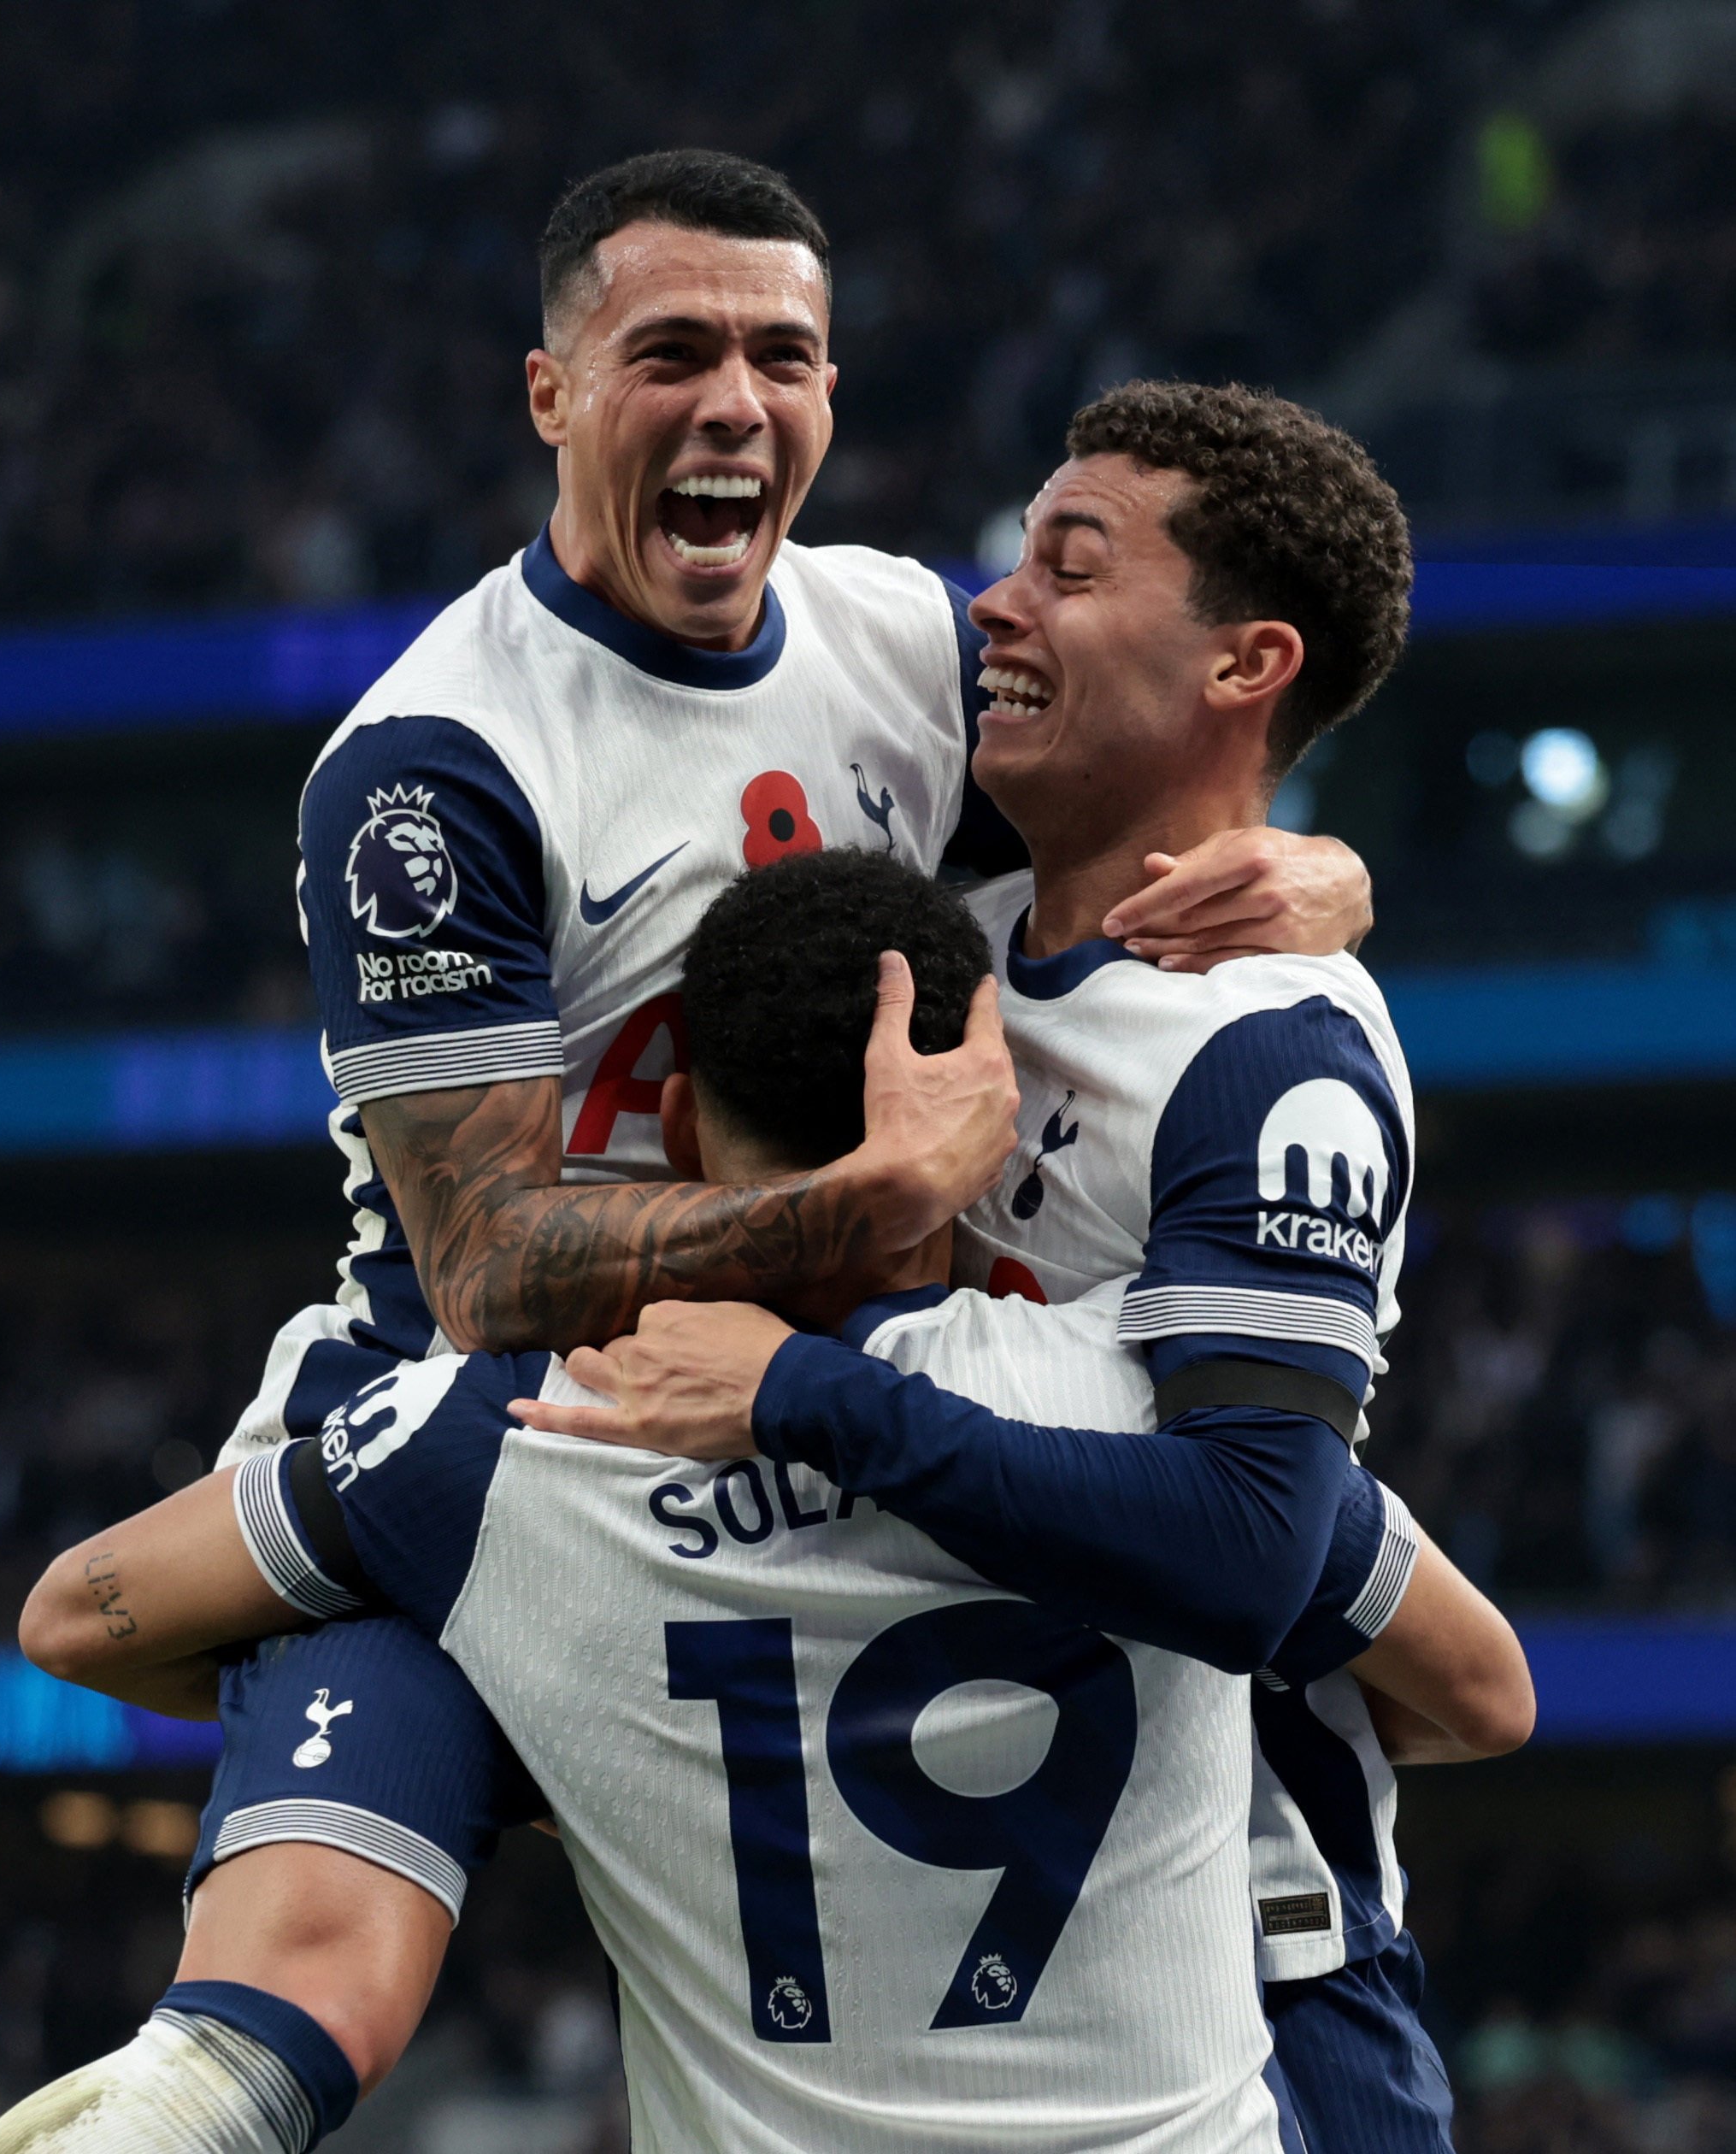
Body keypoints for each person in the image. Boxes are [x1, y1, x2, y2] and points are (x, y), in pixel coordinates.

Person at [143, 145, 1374, 2108]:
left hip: (853, 1379)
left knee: (1390, 1634)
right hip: (540, 1431)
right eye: (671, 353)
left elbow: (1133, 806)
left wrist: (1309, 871)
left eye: (781, 358)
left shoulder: (896, 639)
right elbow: (490, 1266)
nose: (734, 401)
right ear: (550, 394)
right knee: (278, 2002)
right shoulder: (432, 766)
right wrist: (873, 1197)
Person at [3, 851, 1471, 2154]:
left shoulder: (507, 1436)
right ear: (984, 1112)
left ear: (686, 1133)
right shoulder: (1150, 1411)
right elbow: (1481, 1696)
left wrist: (543, 1727)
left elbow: (82, 1619)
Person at [515, 381, 1537, 2151]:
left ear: (1244, 665)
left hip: (1247, 1988)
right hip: (930, 1955)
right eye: (1010, 561)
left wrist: (799, 1396)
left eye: (1067, 568)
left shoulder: (1263, 1049)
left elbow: (1243, 1556)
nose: (991, 605)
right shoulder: (933, 947)